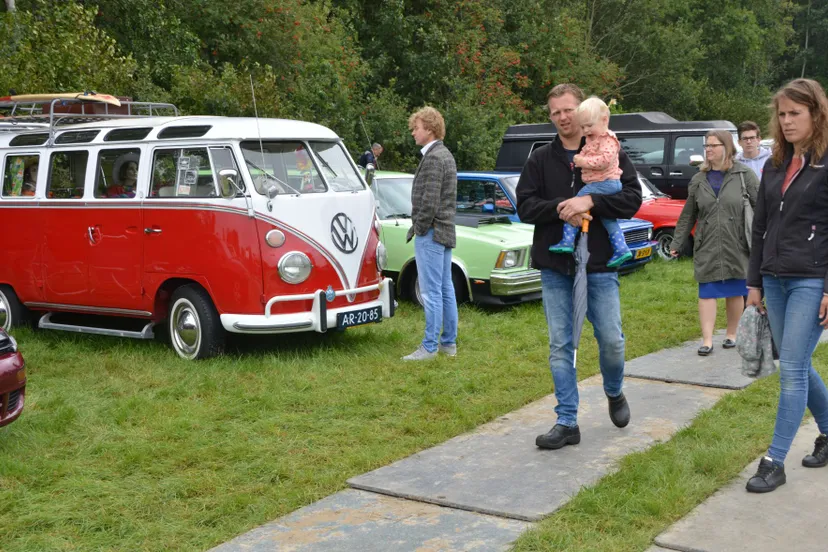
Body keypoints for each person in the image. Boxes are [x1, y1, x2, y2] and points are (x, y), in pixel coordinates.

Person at [516, 83, 642, 449]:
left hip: (600, 265)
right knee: (561, 345)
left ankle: (614, 391)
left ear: (582, 109)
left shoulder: (609, 147)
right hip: (556, 267)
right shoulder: (540, 159)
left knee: (612, 342)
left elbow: (632, 199)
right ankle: (567, 421)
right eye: (555, 112)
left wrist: (589, 202)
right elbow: (525, 206)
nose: (562, 117)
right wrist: (561, 208)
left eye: (568, 109)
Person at [743, 78, 828, 493]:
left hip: (813, 279)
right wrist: (754, 281)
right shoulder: (775, 163)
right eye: (782, 113)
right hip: (773, 280)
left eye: (796, 113)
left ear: (816, 113)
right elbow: (760, 225)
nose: (788, 120)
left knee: (792, 367)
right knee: (799, 362)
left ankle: (774, 461)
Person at [670, 130, 759, 356]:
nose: (708, 149)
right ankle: (707, 340)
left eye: (713, 145)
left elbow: (761, 209)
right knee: (707, 291)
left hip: (737, 243)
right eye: (706, 145)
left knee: (735, 290)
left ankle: (732, 334)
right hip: (707, 242)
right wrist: (677, 242)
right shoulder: (698, 180)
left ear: (727, 148)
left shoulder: (744, 175)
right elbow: (688, 214)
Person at [549, 97, 632, 268]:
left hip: (607, 183)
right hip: (605, 184)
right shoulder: (594, 139)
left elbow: (604, 161)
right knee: (609, 220)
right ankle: (621, 248)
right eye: (583, 126)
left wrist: (582, 162)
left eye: (589, 125)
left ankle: (567, 241)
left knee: (576, 202)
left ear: (604, 120)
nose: (586, 130)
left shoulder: (608, 140)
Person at [401, 108, 458, 361]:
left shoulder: (435, 158)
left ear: (430, 129)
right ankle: (448, 344)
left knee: (431, 292)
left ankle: (430, 347)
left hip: (433, 232)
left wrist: (419, 228)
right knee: (445, 289)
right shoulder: (443, 154)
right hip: (442, 231)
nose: (413, 132)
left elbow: (430, 202)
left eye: (417, 127)